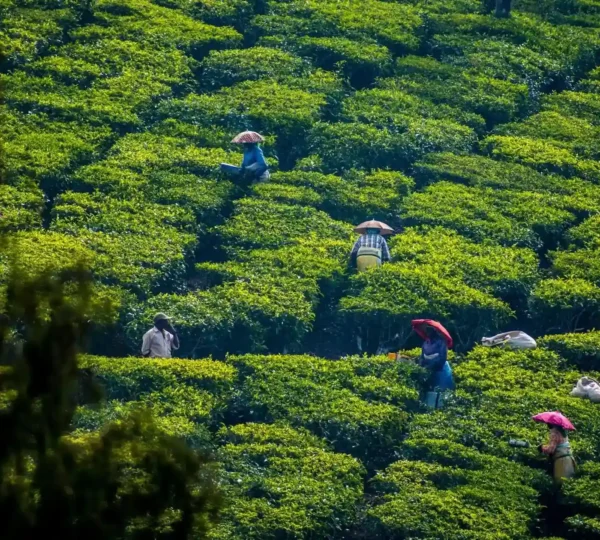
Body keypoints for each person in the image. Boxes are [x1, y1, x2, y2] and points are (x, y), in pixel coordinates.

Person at [419, 326, 455, 392]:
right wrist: (422, 365)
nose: (428, 333)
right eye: (427, 331)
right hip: (428, 370)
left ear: (434, 331)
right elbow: (422, 356)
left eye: (430, 331)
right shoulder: (425, 343)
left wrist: (432, 364)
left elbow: (442, 357)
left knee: (441, 391)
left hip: (441, 370)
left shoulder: (441, 342)